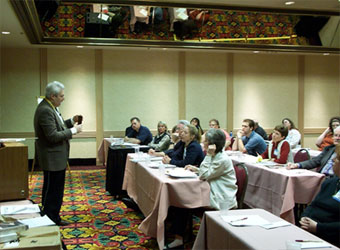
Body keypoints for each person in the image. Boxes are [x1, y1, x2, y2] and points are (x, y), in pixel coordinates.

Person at [164, 128, 238, 249]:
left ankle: (179, 238)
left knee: (183, 201)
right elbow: (209, 172)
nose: (203, 144)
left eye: (205, 142)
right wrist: (196, 169)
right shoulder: (217, 155)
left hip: (221, 197)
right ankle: (180, 234)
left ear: (213, 145)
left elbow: (205, 175)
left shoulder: (221, 158)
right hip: (212, 190)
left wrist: (208, 155)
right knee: (182, 198)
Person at [34, 81, 82, 226]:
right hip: (52, 157)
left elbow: (58, 126)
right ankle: (51, 218)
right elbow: (53, 136)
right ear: (52, 96)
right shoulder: (45, 110)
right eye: (61, 96)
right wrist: (74, 130)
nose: (63, 98)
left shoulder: (50, 107)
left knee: (55, 189)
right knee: (53, 191)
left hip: (56, 157)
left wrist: (70, 121)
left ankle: (52, 215)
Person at [298, 144, 340, 247]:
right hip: (310, 232)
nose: (333, 160)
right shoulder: (330, 183)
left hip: (332, 238)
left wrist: (318, 227)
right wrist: (304, 218)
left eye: (337, 158)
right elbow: (313, 205)